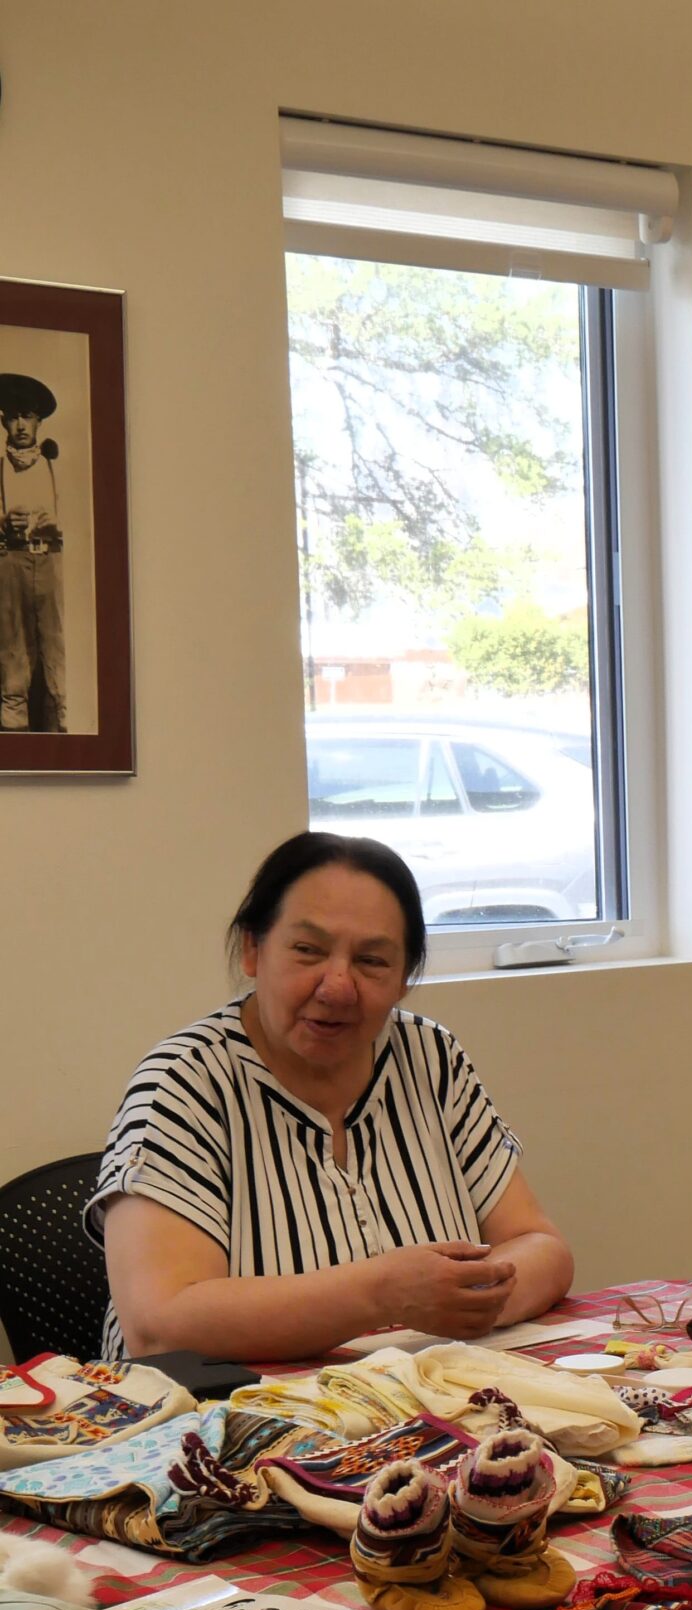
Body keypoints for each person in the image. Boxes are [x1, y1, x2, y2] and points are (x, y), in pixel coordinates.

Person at [92, 831, 574, 1362]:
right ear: (253, 949)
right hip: (230, 1407)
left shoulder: (430, 1057)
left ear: (405, 978)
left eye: (372, 961)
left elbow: (542, 1248)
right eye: (308, 951)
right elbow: (159, 1328)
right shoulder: (184, 1082)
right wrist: (383, 1295)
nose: (337, 987)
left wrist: (471, 1301)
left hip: (422, 1394)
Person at [0, 372, 65, 734]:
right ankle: (14, 736)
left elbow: (88, 521)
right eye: (13, 417)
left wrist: (54, 523)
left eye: (28, 416)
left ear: (39, 421)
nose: (21, 425)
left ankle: (62, 736)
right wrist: (3, 521)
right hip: (10, 566)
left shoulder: (57, 466)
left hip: (52, 565)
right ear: (3, 423)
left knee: (56, 652)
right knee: (13, 656)